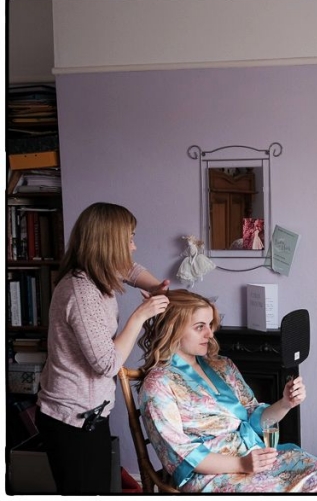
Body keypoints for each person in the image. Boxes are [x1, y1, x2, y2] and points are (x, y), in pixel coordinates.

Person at [137, 289, 317, 492]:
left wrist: (285, 403)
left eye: (210, 325)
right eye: (199, 326)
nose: (210, 334)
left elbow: (253, 415)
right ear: (173, 328)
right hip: (213, 475)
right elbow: (182, 455)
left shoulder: (222, 365)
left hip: (254, 456)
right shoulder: (158, 384)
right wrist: (242, 464)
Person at [36, 202, 170, 494]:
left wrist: (158, 287)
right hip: (70, 418)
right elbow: (107, 364)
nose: (134, 247)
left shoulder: (99, 272)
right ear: (110, 244)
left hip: (91, 414)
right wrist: (140, 315)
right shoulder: (80, 291)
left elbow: (131, 270)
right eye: (130, 239)